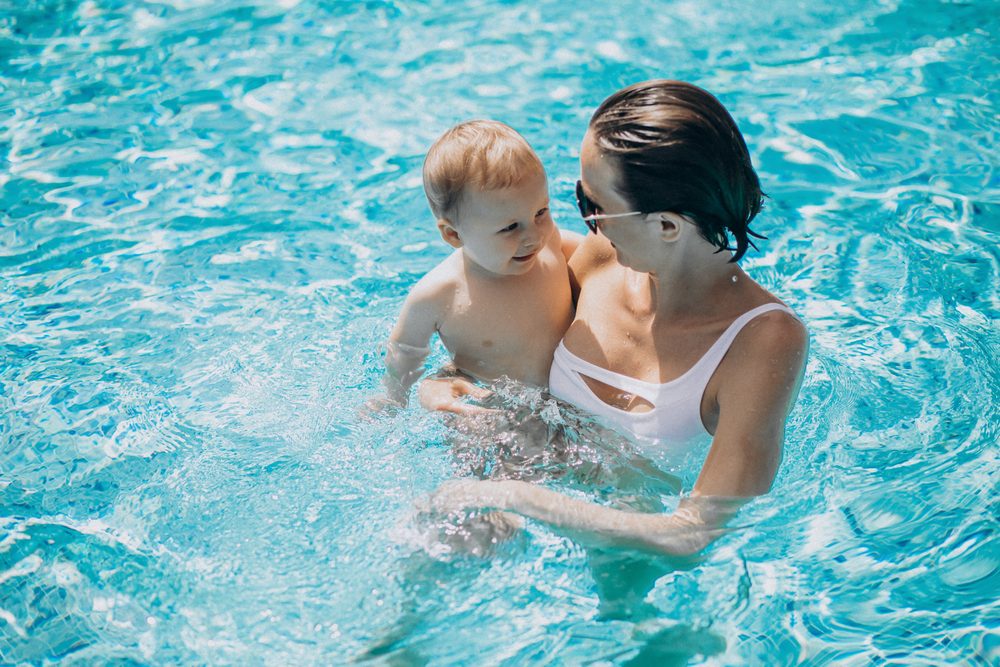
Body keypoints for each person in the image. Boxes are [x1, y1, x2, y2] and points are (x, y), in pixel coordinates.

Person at [423, 80, 809, 558]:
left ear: (666, 225)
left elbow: (693, 534)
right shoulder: (599, 258)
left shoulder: (762, 342)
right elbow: (496, 326)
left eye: (593, 207)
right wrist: (449, 379)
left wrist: (517, 499)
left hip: (628, 553)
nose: (583, 222)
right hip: (516, 494)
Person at [369, 120, 582, 410]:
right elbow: (405, 352)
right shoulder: (439, 294)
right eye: (510, 228)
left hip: (572, 394)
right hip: (499, 408)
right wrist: (392, 398)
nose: (534, 236)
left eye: (541, 212)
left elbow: (595, 260)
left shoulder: (551, 241)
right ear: (453, 235)